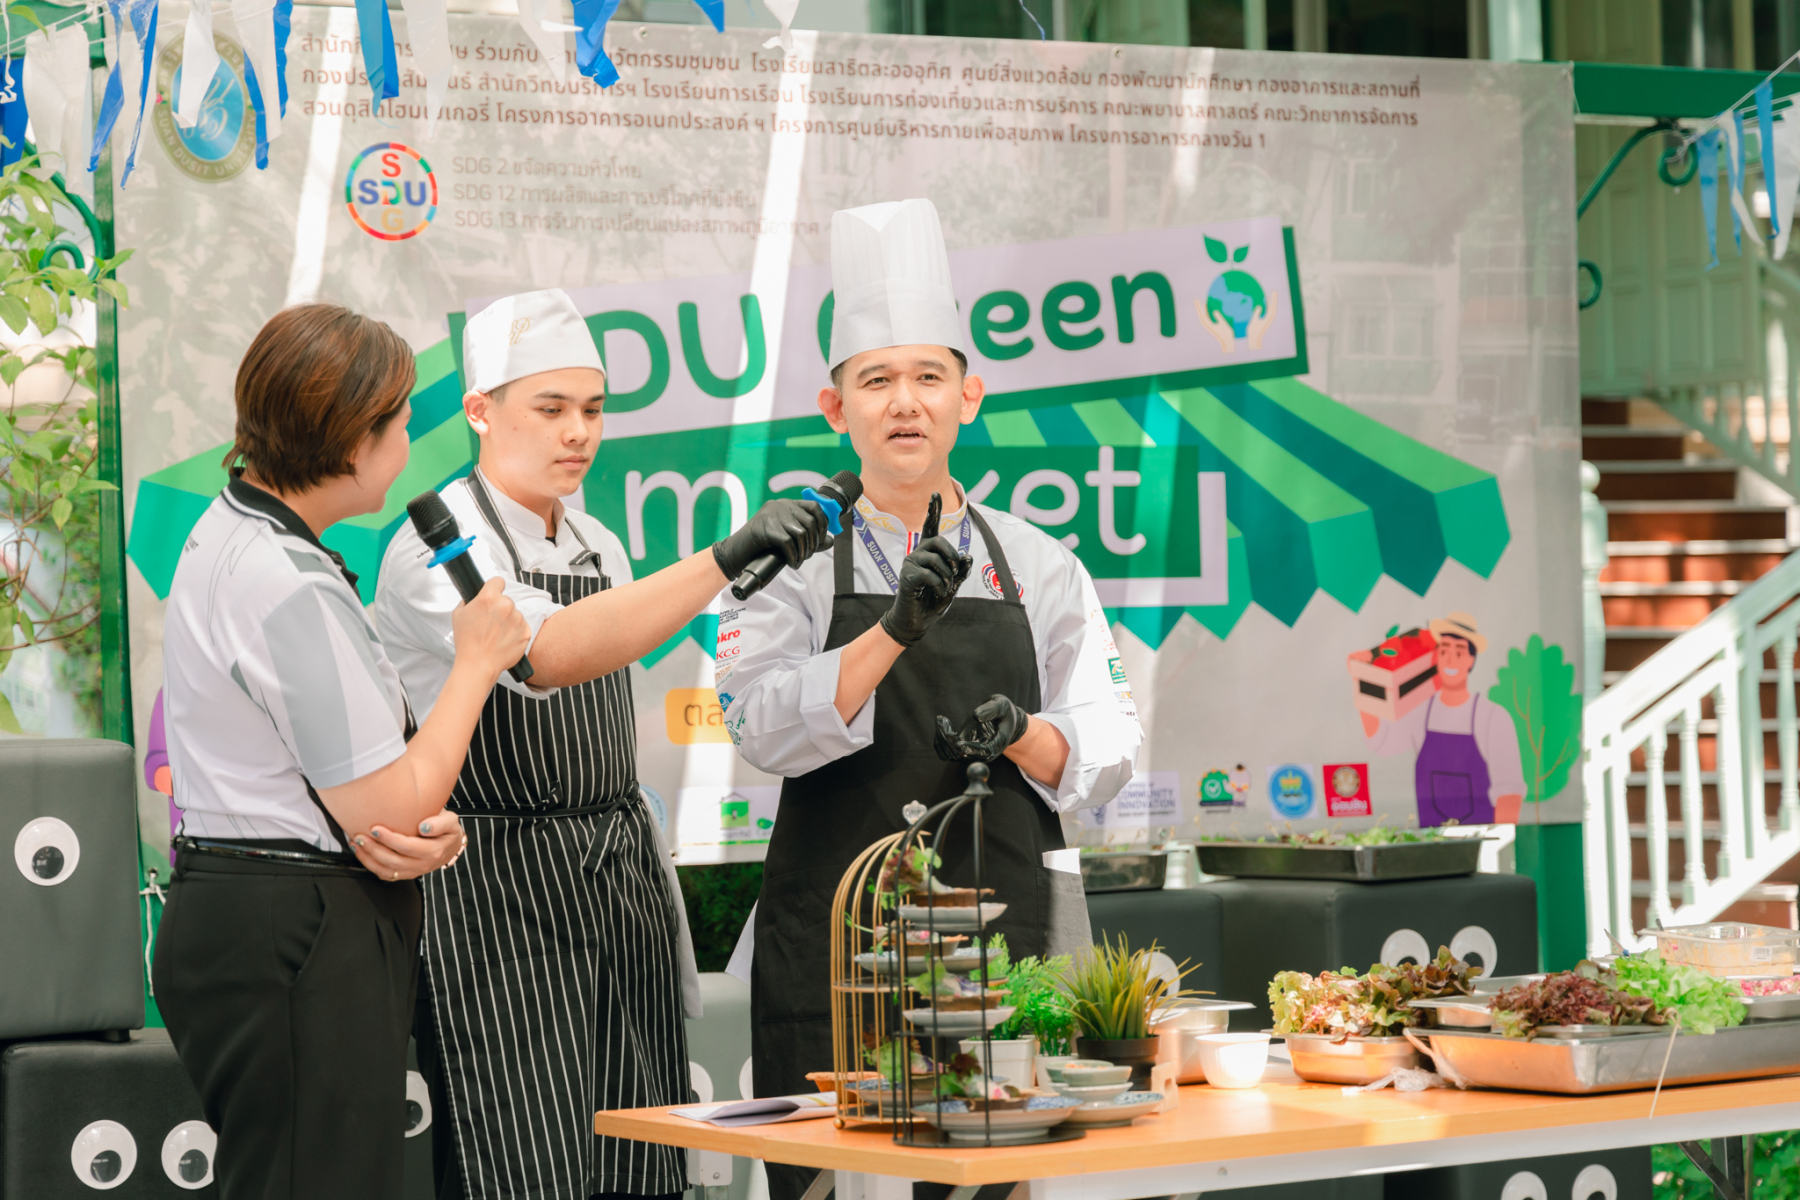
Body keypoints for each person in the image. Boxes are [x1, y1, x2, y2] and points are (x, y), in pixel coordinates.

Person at [716, 199, 1142, 1197]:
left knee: (997, 1177)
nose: (904, 403)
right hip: (839, 943)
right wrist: (889, 635)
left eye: (927, 378)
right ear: (836, 408)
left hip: (1004, 941)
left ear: (968, 397)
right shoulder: (787, 560)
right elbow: (757, 726)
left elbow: (1111, 742)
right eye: (876, 381)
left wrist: (1027, 734)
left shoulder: (1040, 562)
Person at [374, 288, 831, 1200]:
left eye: (592, 409)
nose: (578, 432)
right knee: (522, 1160)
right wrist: (725, 558)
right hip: (495, 892)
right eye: (551, 409)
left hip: (615, 885)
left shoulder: (598, 543)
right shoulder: (436, 547)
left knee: (641, 1151)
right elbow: (546, 656)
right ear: (479, 410)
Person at [153, 303, 532, 1200]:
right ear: (355, 439)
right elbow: (391, 806)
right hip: (296, 932)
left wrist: (422, 826)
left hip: (259, 909)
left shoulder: (236, 530)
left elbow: (373, 794)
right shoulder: (285, 583)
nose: (408, 445)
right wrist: (476, 663)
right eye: (400, 424)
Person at [1356, 611, 1525, 825]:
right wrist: (1364, 678)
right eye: (1444, 651)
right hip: (1429, 841)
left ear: (1471, 659)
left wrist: (1499, 840)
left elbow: (1509, 794)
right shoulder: (1421, 712)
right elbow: (1381, 742)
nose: (1450, 660)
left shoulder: (1493, 717)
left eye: (1459, 652)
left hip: (1480, 841)